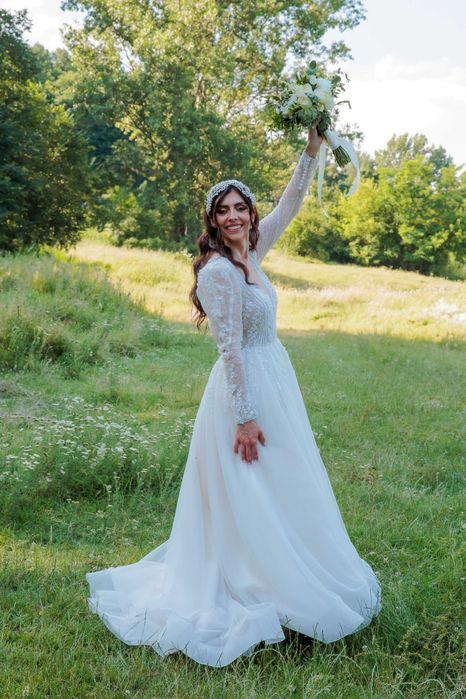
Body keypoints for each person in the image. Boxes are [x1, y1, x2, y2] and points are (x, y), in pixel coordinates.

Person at [86, 124, 381, 668]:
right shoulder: (219, 272)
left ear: (249, 213)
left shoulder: (254, 252)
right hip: (243, 393)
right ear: (212, 222)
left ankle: (287, 576)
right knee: (250, 486)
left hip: (276, 380)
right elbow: (229, 349)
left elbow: (290, 205)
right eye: (222, 211)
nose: (233, 217)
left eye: (240, 208)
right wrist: (245, 418)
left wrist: (311, 150)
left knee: (283, 481)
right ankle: (251, 584)